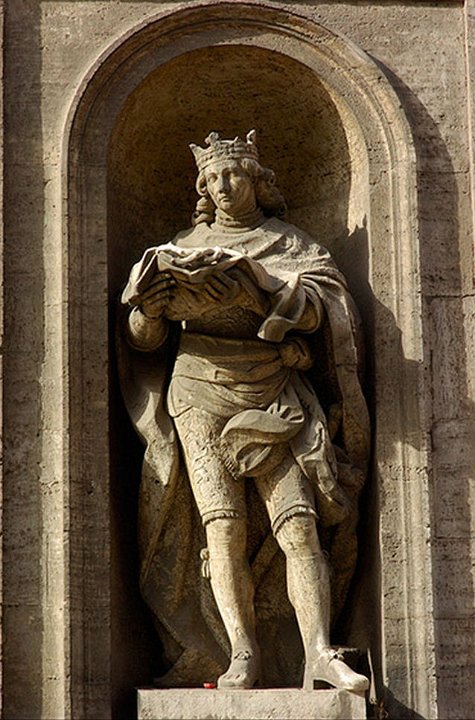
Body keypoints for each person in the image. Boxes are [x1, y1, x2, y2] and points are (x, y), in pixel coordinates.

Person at [118, 131, 370, 692]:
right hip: (198, 391)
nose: (223, 186)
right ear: (203, 189)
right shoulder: (183, 245)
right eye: (212, 179)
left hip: (272, 390)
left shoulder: (291, 244)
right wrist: (150, 311)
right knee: (223, 527)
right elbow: (142, 341)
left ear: (257, 180)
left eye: (233, 174)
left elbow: (329, 313)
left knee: (299, 524)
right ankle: (242, 653)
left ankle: (318, 652)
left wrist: (261, 292)